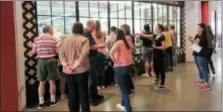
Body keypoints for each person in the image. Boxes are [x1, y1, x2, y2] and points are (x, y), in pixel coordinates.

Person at [59, 22, 90, 111]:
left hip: (68, 71)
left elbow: (61, 55)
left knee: (71, 92)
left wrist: (67, 65)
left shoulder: (65, 40)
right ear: (82, 29)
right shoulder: (84, 40)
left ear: (72, 30)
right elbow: (84, 54)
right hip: (81, 70)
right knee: (83, 92)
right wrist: (74, 66)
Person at [32, 25, 59, 109]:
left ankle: (41, 103)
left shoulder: (36, 39)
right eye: (52, 29)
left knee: (41, 82)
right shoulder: (54, 39)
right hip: (52, 60)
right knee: (52, 82)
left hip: (41, 61)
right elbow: (58, 51)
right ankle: (52, 101)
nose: (53, 30)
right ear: (50, 30)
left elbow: (33, 51)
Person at [136, 24, 166, 89]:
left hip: (160, 55)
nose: (155, 28)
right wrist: (139, 34)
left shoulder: (162, 36)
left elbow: (163, 47)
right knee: (156, 67)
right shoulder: (155, 35)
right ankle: (157, 79)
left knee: (161, 69)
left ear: (160, 29)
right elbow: (147, 36)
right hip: (155, 53)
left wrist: (155, 47)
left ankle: (162, 84)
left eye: (156, 28)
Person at [110, 29, 134, 112]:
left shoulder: (118, 43)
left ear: (116, 35)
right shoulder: (127, 41)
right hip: (128, 66)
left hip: (121, 68)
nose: (111, 36)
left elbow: (110, 53)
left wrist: (116, 62)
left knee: (124, 90)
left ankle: (128, 109)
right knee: (125, 87)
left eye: (113, 34)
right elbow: (132, 48)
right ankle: (122, 104)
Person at [83, 20, 105, 106]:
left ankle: (94, 95)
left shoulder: (88, 33)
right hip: (90, 59)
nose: (93, 29)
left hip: (93, 58)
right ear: (89, 26)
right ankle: (91, 99)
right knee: (91, 79)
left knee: (94, 77)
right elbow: (91, 47)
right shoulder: (86, 33)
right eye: (93, 27)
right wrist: (101, 46)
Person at [188, 23, 209, 91]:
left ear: (202, 29)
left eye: (198, 27)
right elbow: (194, 43)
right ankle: (201, 80)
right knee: (199, 68)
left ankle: (206, 84)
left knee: (203, 68)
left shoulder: (204, 36)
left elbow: (198, 43)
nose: (197, 29)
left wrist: (193, 41)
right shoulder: (197, 35)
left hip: (202, 54)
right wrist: (191, 40)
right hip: (196, 53)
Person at [92, 20, 106, 91]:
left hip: (95, 52)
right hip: (103, 52)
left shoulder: (92, 33)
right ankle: (103, 85)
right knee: (102, 69)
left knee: (96, 70)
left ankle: (98, 85)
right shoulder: (103, 33)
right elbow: (104, 42)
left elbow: (93, 45)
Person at [120, 24, 135, 94]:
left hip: (127, 58)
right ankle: (131, 87)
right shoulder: (128, 37)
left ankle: (129, 88)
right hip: (128, 57)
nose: (120, 30)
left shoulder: (127, 38)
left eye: (121, 29)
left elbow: (131, 47)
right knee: (127, 74)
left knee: (126, 74)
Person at [58, 35, 67, 100]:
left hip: (61, 66)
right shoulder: (66, 47)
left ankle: (62, 94)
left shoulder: (59, 47)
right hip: (66, 65)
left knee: (62, 81)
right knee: (68, 80)